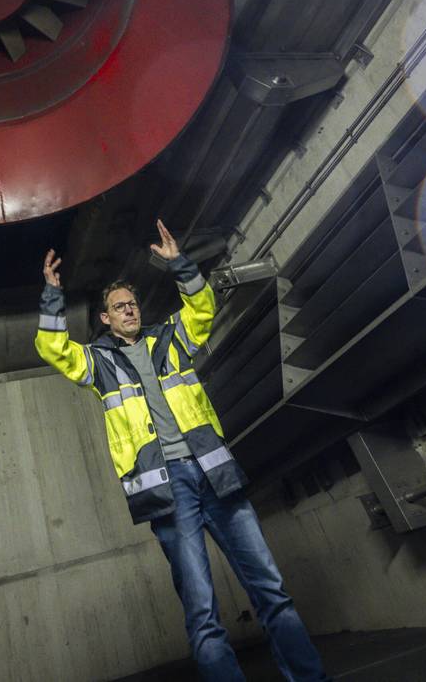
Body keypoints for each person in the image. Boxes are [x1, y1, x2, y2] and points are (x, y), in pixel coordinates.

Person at [35, 219, 328, 682]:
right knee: (203, 614)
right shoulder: (96, 361)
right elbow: (52, 347)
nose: (129, 310)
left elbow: (202, 309)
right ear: (105, 319)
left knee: (271, 590)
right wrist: (53, 297)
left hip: (215, 476)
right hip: (168, 494)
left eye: (132, 303)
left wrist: (179, 265)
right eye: (119, 307)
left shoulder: (171, 337)